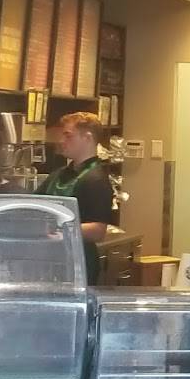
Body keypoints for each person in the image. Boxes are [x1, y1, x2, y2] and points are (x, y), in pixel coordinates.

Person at [37, 112, 113, 285]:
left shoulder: (96, 179)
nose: (61, 141)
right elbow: (34, 203)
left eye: (68, 135)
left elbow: (98, 230)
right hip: (52, 259)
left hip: (79, 263)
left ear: (87, 138)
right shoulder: (59, 174)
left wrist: (59, 228)